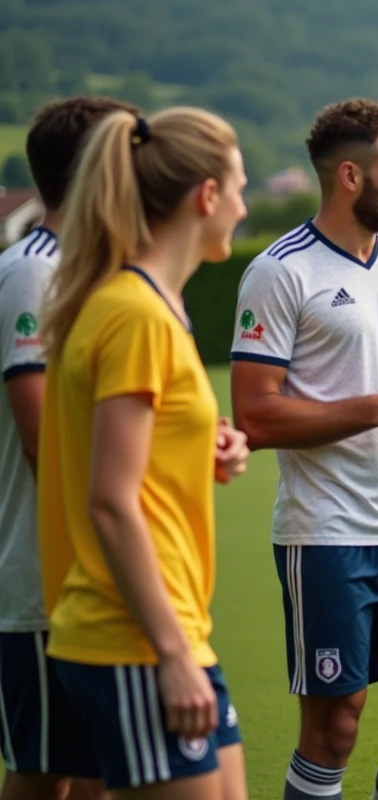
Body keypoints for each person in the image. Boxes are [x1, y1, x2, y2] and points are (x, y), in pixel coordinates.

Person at [229, 99, 378, 800]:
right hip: (325, 537)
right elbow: (254, 416)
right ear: (348, 176)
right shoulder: (280, 272)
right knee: (334, 729)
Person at [36, 106, 252, 798]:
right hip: (134, 637)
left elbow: (135, 450)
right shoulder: (135, 314)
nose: (245, 208)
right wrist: (171, 653)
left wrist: (205, 446)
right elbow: (109, 501)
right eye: (240, 189)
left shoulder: (152, 306)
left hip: (172, 628)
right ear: (207, 196)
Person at [0, 96, 140, 800]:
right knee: (43, 773)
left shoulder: (104, 272)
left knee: (97, 772)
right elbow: (42, 438)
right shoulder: (35, 272)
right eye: (133, 156)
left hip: (102, 567)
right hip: (47, 577)